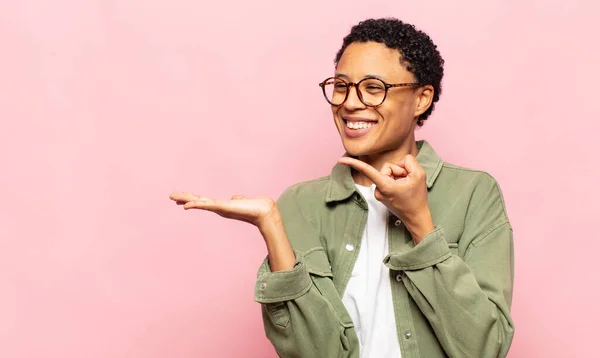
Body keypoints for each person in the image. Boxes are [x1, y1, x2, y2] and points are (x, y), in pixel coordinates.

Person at [170, 18, 514, 358]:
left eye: (373, 88)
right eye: (341, 86)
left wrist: (419, 222)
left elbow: (485, 348)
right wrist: (271, 225)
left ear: (422, 98)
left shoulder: (473, 194)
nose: (350, 103)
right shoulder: (302, 203)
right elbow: (314, 352)